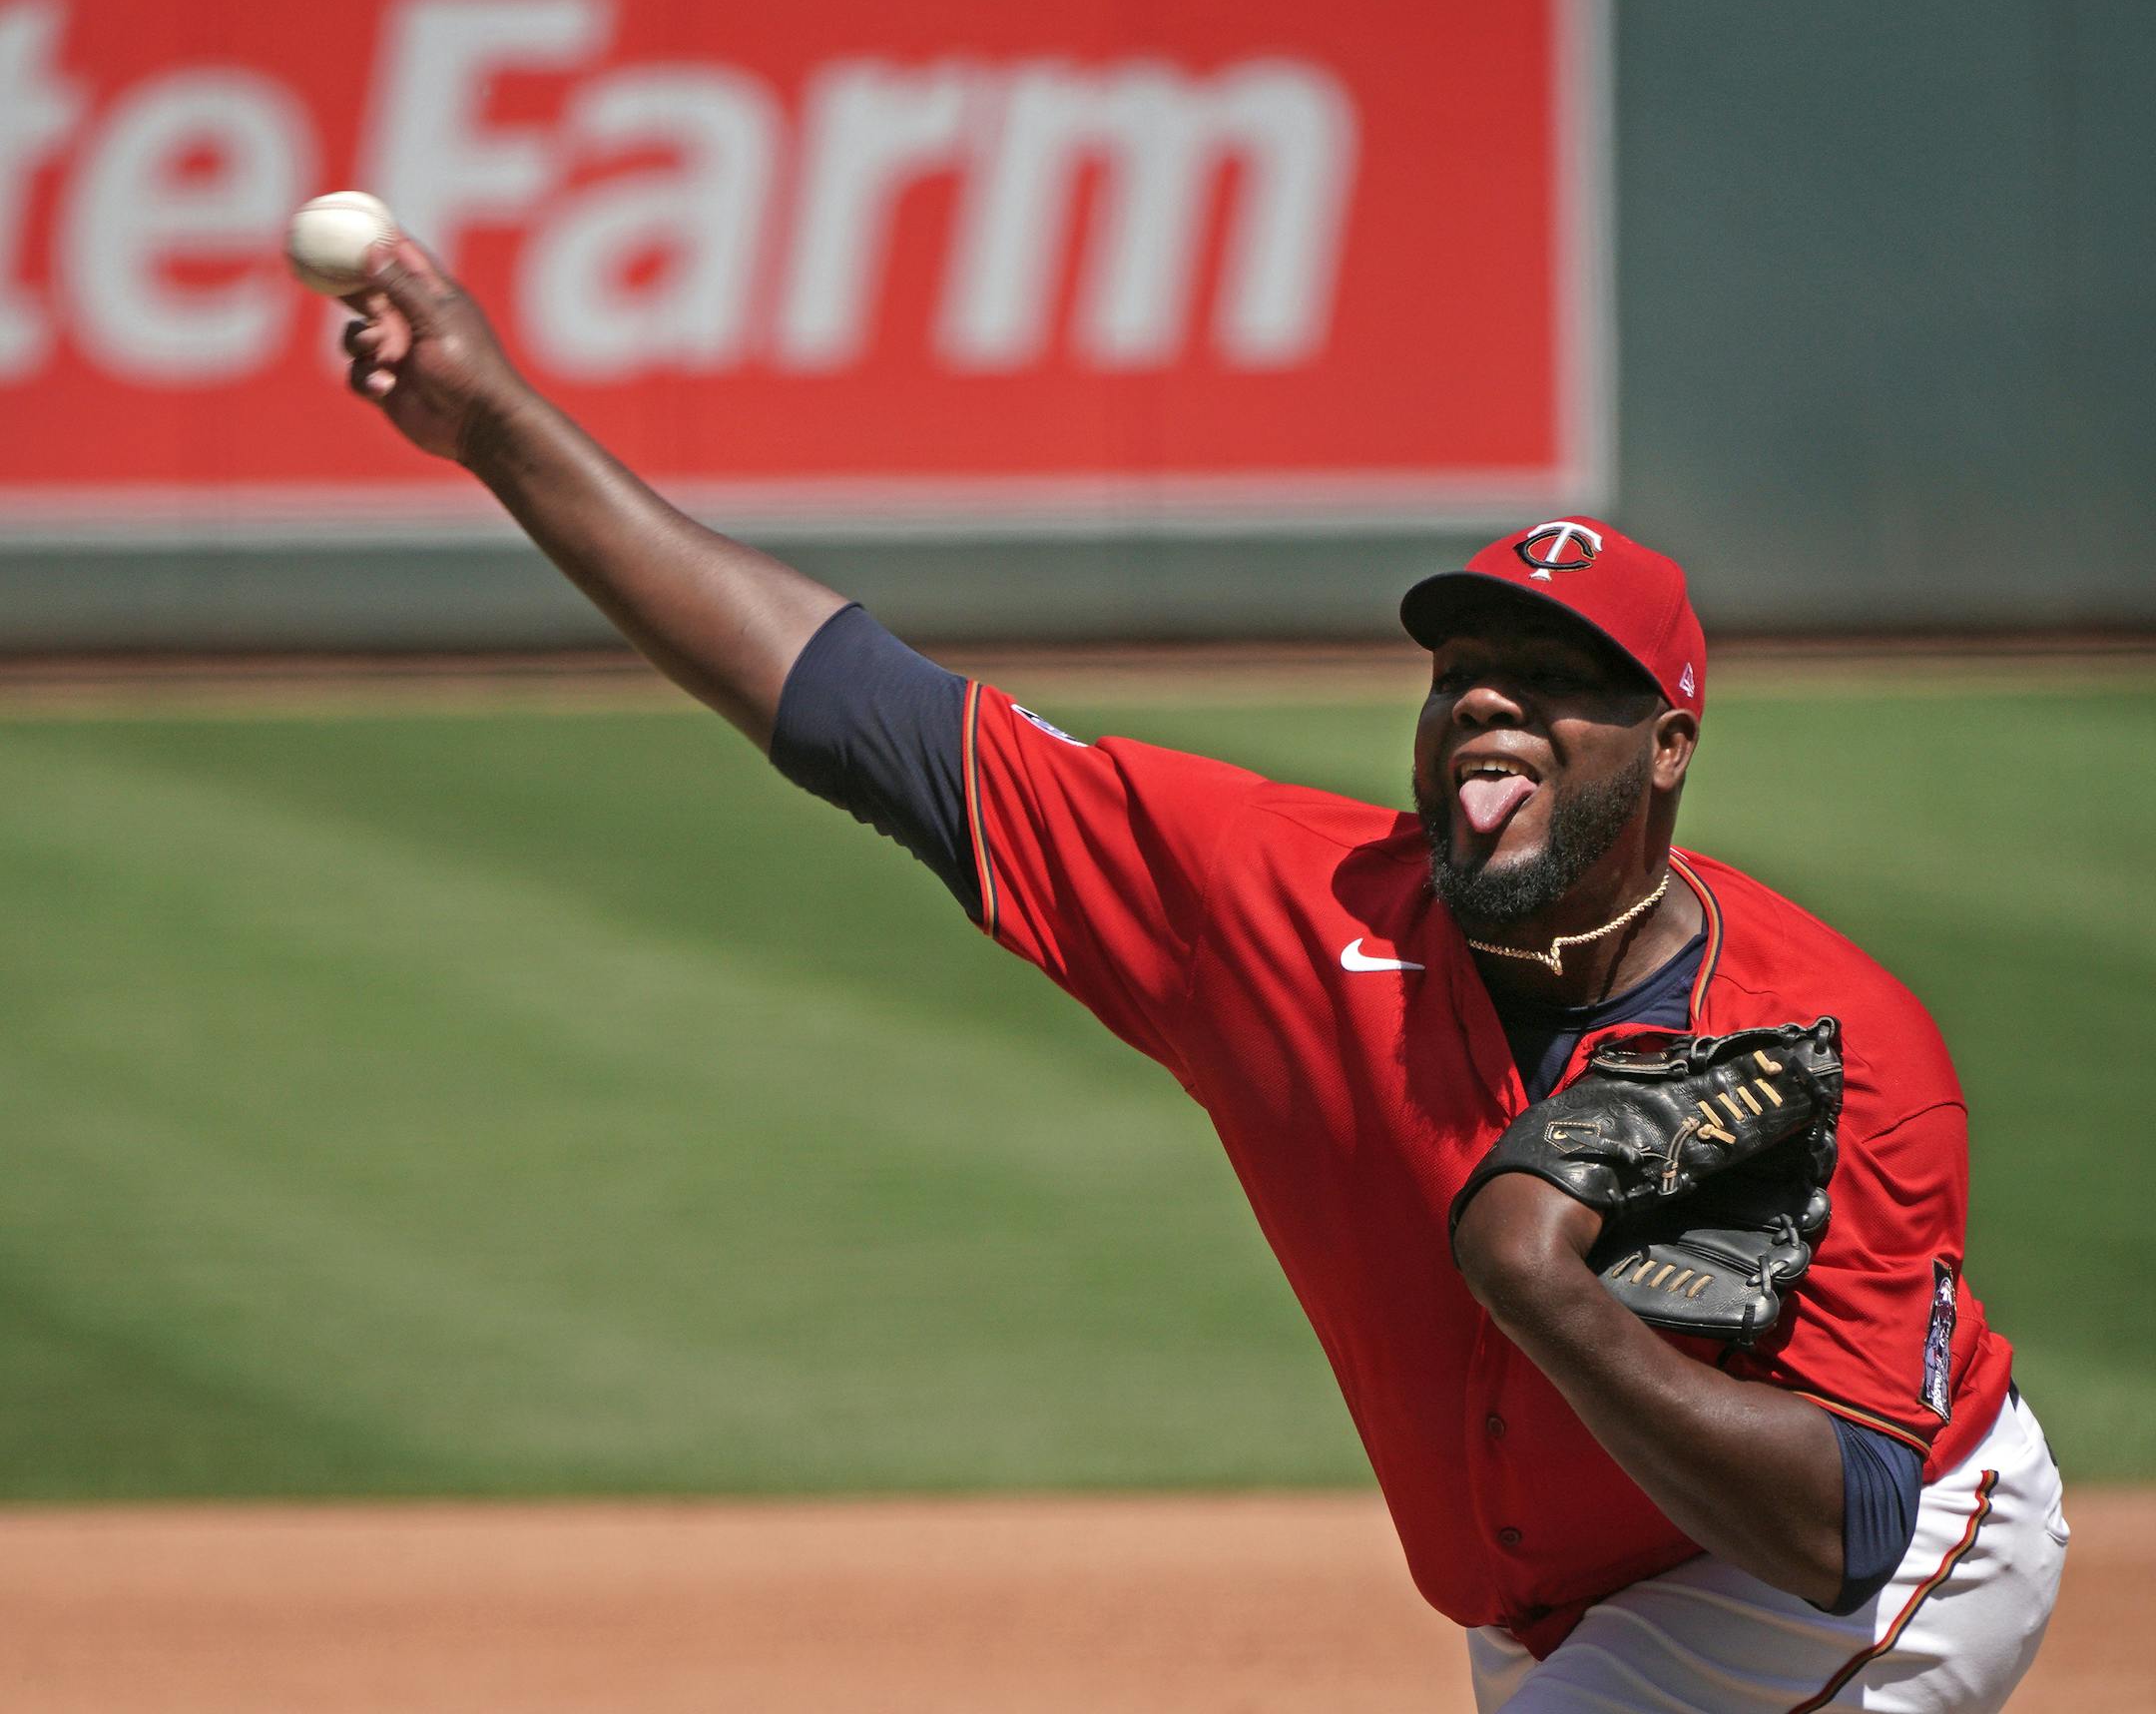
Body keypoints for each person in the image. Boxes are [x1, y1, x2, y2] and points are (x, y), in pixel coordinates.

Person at [332, 241, 2069, 1712]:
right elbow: (849, 704)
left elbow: (1842, 1521)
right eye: (1465, 666)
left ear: (1667, 746)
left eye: (1558, 676)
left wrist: (1547, 1291)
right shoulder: (1280, 899)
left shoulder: (1835, 1044)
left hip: (1878, 1557)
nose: (1490, 699)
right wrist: (492, 418)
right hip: (1563, 1589)